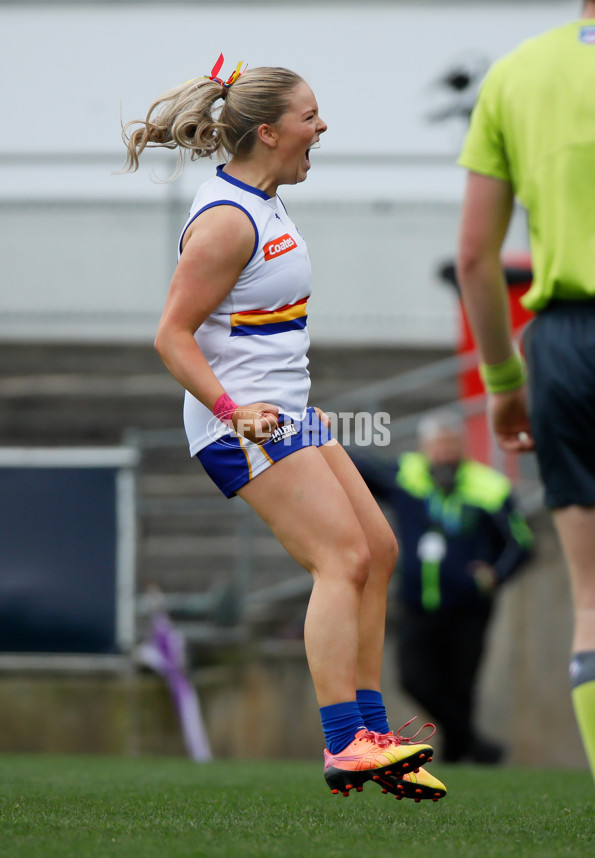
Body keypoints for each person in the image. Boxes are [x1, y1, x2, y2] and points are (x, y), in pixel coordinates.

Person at [121, 55, 442, 800]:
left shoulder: (264, 199)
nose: (321, 127)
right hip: (242, 424)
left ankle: (375, 736)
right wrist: (237, 413)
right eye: (309, 116)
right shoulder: (230, 217)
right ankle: (347, 744)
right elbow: (172, 335)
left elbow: (259, 330)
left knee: (379, 551)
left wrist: (299, 402)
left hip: (288, 413)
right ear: (267, 132)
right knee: (341, 560)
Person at [456, 1, 595, 797]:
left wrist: (505, 385)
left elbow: (476, 257)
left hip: (566, 347)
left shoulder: (516, 73)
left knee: (594, 598)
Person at [355, 411, 533, 763]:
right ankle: (477, 747)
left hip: (469, 606)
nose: (444, 453)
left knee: (463, 684)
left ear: (462, 447)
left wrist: (493, 576)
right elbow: (362, 471)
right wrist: (322, 438)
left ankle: (457, 757)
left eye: (451, 444)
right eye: (437, 446)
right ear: (424, 448)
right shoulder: (407, 477)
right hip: (417, 603)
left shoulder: (489, 486)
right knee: (413, 678)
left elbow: (520, 544)